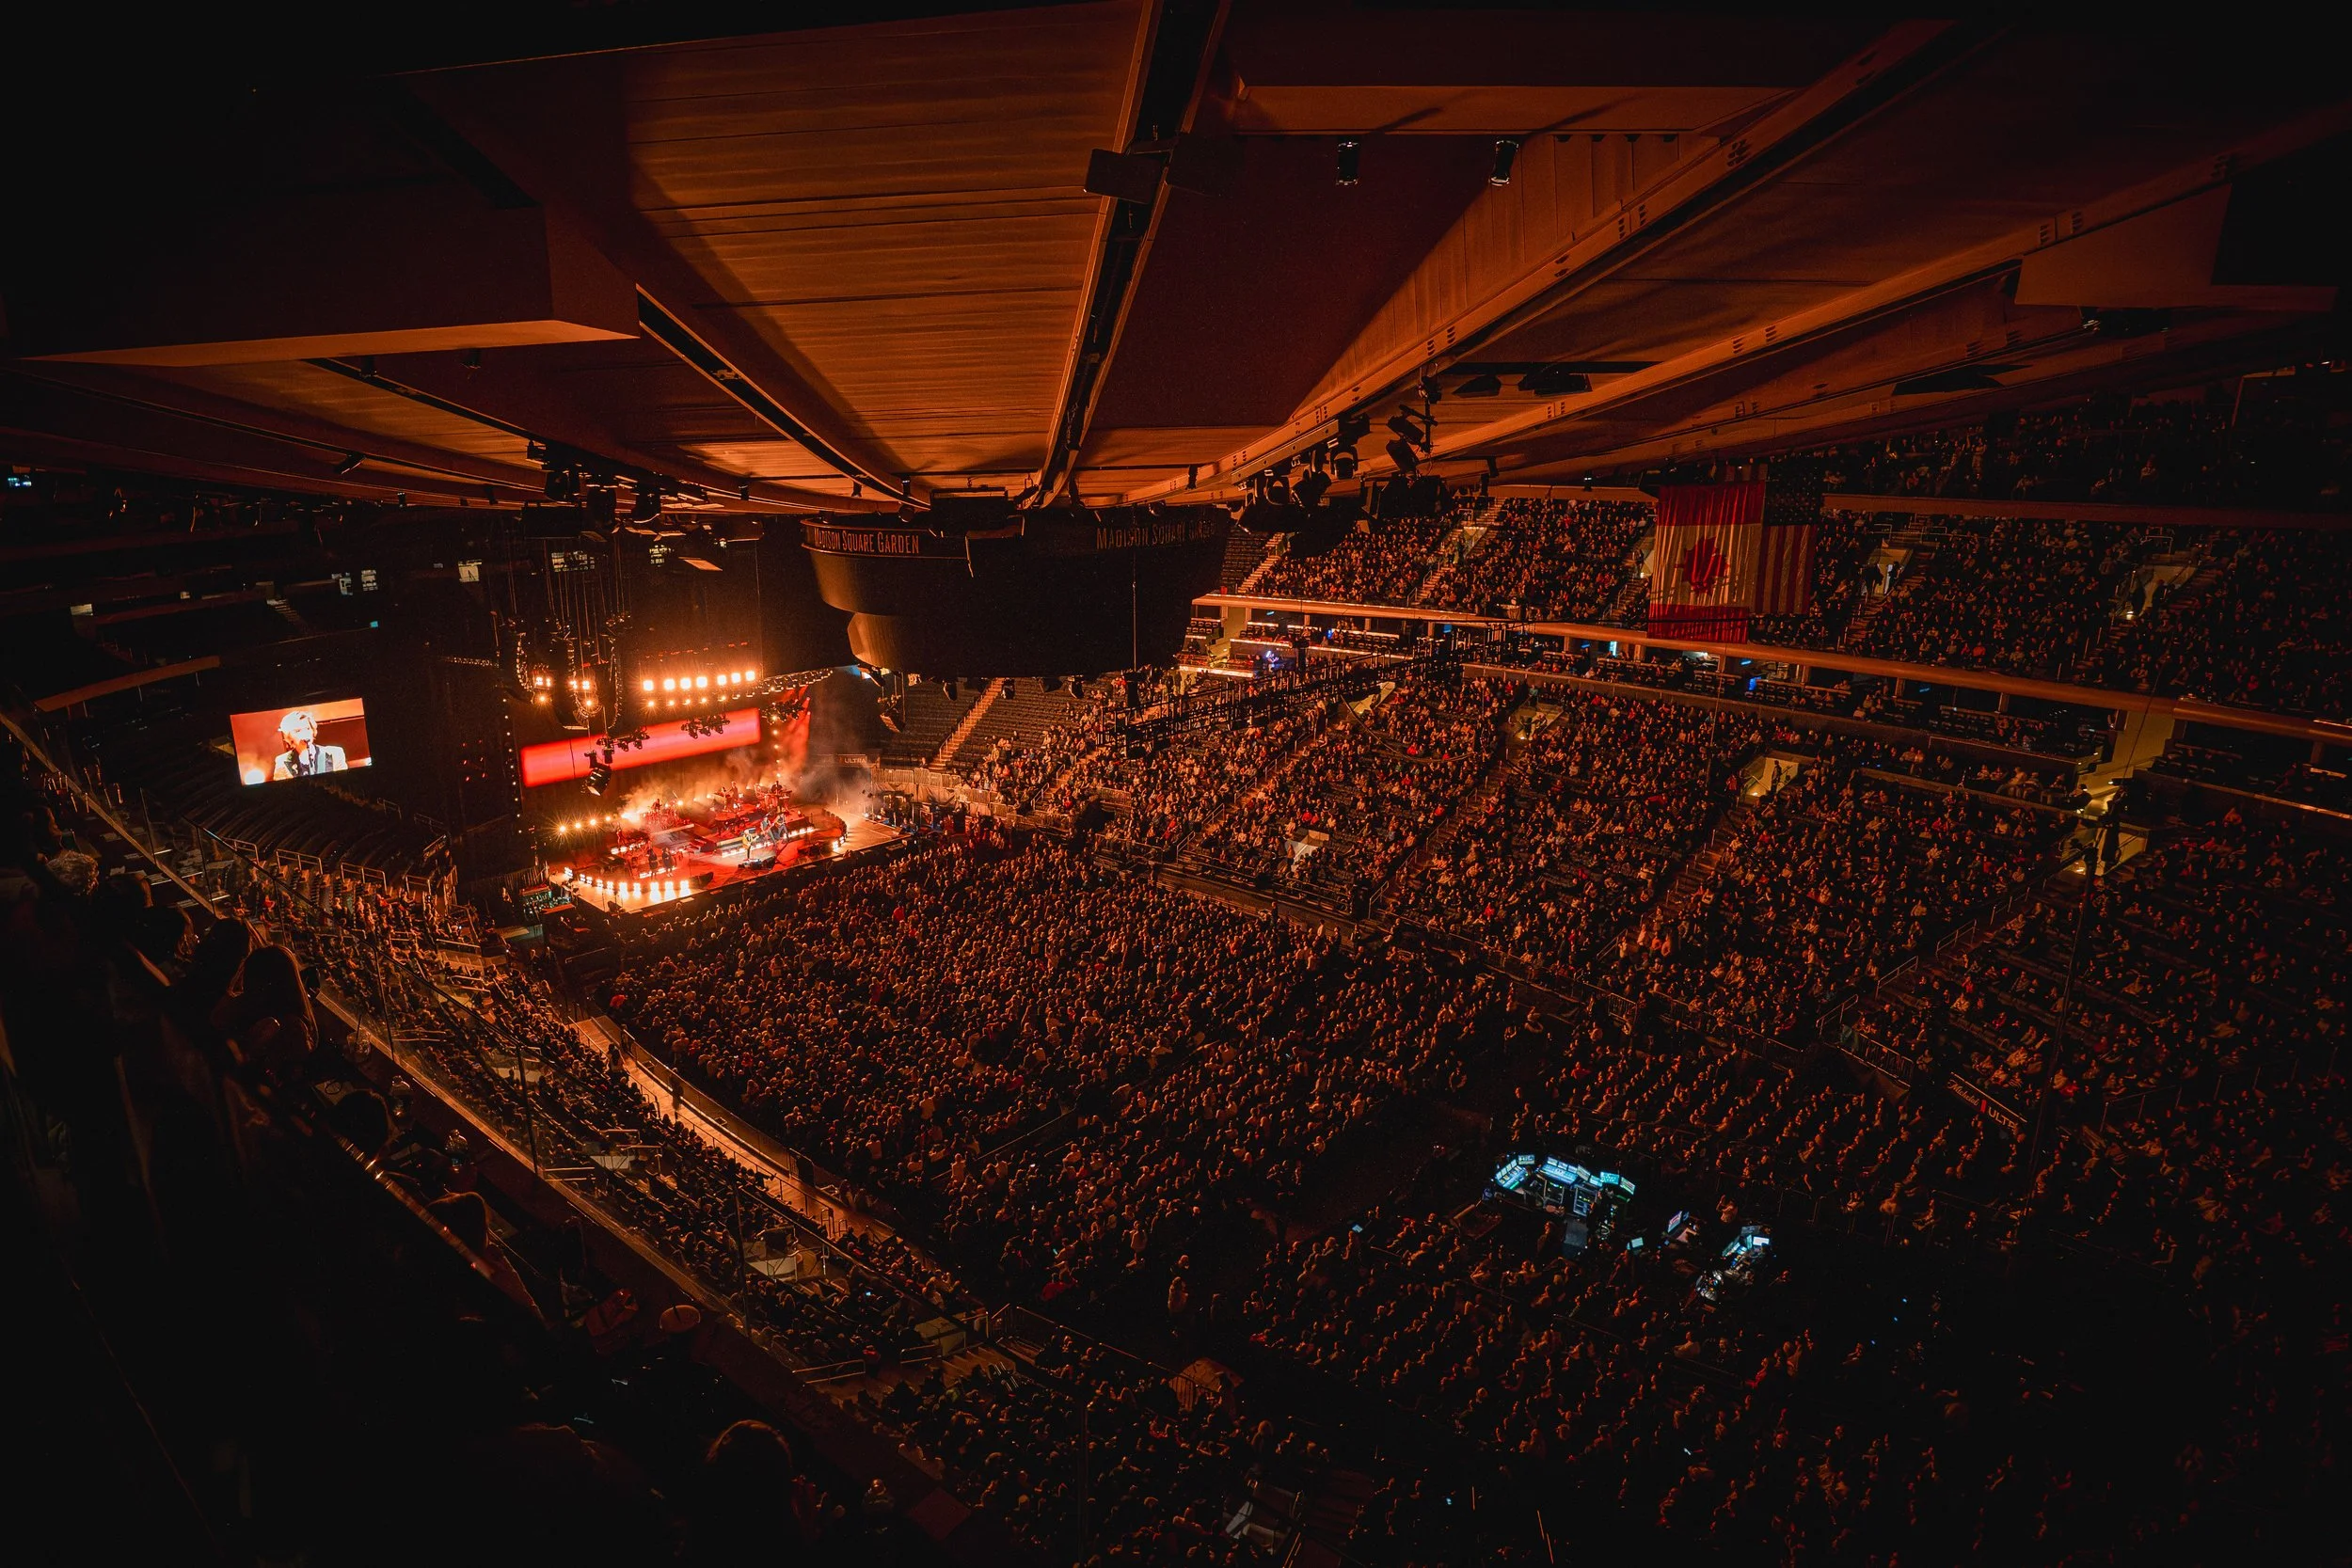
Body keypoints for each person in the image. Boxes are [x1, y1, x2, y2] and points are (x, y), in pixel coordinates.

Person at [270, 709, 348, 779]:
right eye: (298, 731)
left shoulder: (335, 753)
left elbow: (343, 782)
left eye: (307, 728)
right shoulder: (281, 761)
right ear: (289, 737)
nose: (305, 733)